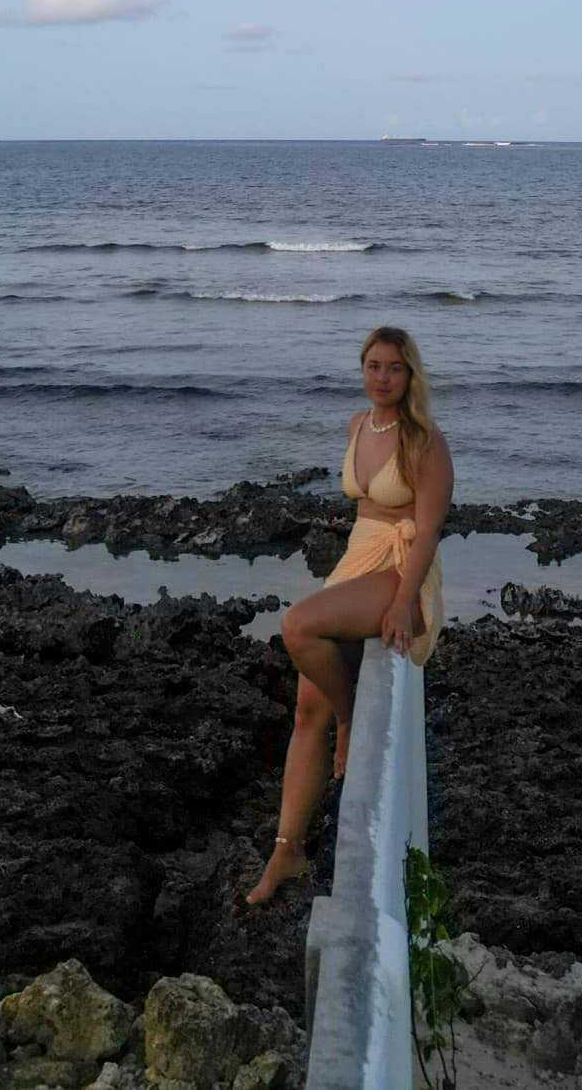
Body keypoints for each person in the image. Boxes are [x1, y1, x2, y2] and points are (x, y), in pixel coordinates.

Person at [244, 323, 452, 907]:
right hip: (357, 555)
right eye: (372, 366)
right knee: (305, 706)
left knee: (298, 626)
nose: (381, 377)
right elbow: (363, 508)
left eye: (393, 367)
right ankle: (287, 849)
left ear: (410, 374)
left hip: (402, 563)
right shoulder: (359, 425)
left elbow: (430, 527)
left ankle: (351, 717)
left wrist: (404, 598)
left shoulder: (425, 438)